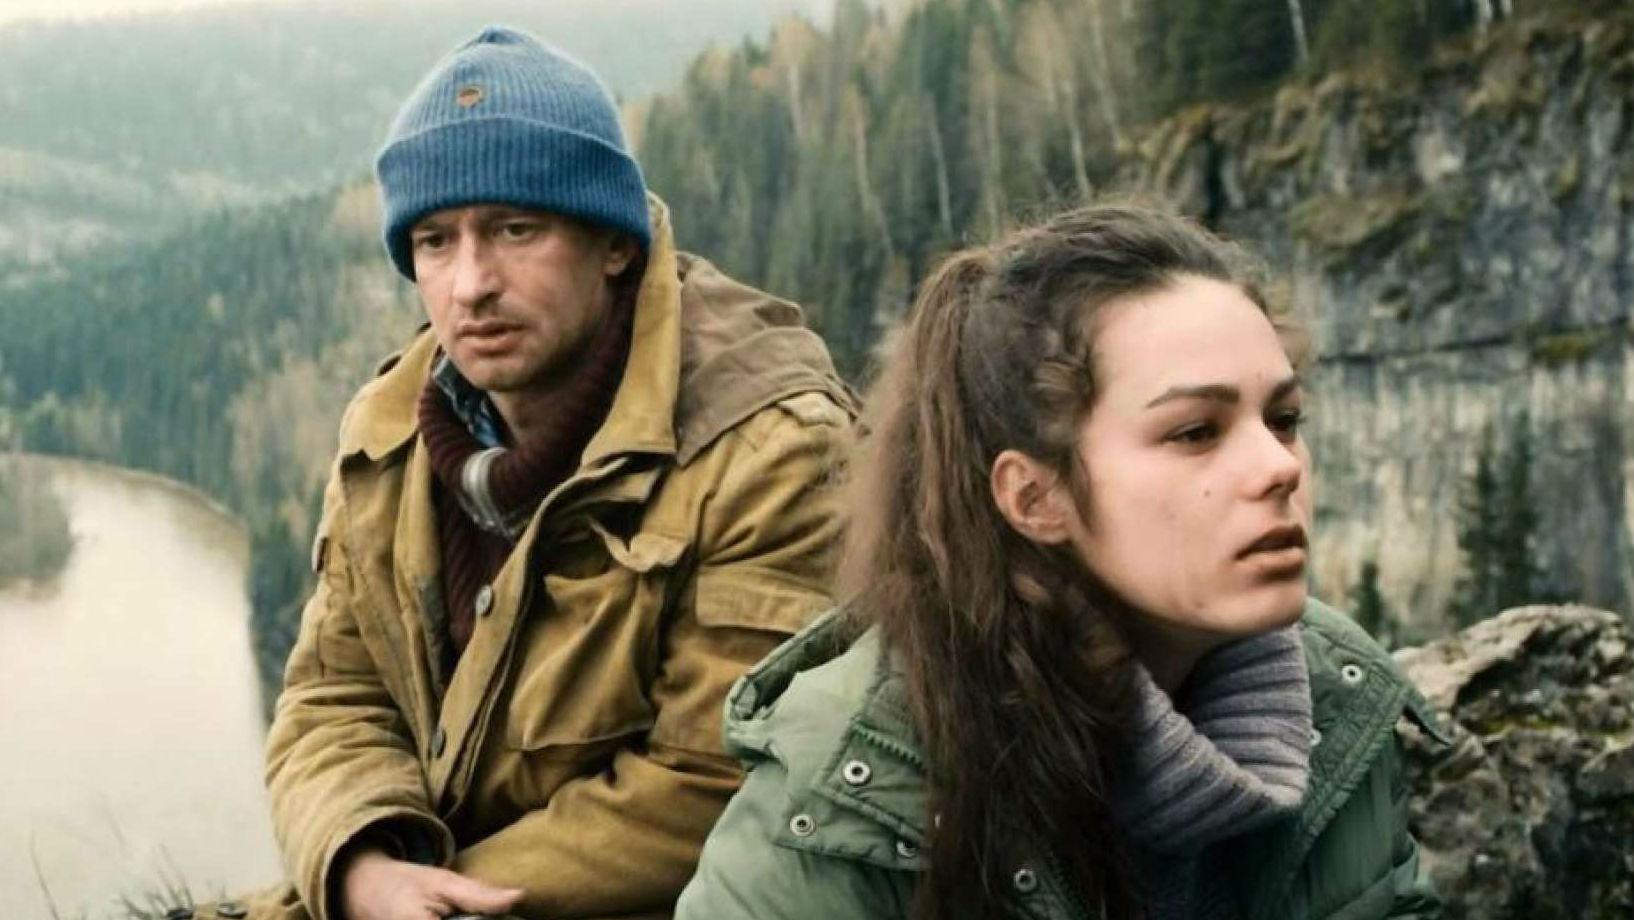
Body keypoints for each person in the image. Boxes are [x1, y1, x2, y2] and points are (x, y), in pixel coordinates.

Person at [191, 25, 855, 920]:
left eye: (516, 230)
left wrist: (438, 896)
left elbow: (715, 775)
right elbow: (335, 693)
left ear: (613, 245)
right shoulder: (387, 440)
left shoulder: (768, 450)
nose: (470, 284)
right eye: (435, 241)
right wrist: (360, 864)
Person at [675, 205, 1450, 919]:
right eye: (1195, 432)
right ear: (1035, 497)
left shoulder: (1335, 705)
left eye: (1284, 419)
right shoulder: (848, 794)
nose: (1279, 467)